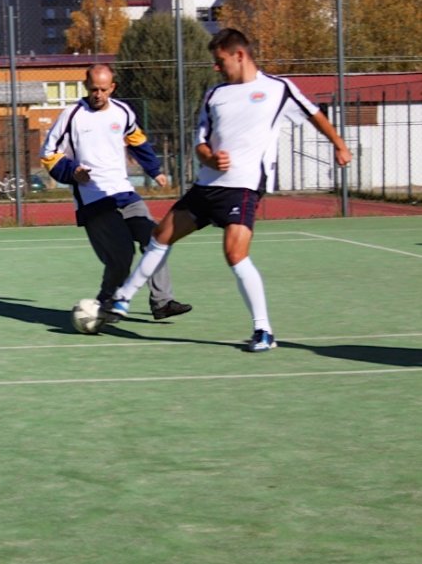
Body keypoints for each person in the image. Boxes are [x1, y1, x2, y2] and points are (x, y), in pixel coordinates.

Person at [106, 28, 352, 351]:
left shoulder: (278, 89)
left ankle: (263, 331)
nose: (216, 67)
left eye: (220, 60)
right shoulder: (214, 95)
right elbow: (200, 143)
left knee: (235, 254)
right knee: (160, 235)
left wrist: (338, 144)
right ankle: (123, 299)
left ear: (239, 55)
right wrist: (209, 157)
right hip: (207, 186)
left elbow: (315, 115)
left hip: (243, 187)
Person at [41, 63, 192, 324]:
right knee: (121, 256)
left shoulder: (122, 112)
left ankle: (162, 302)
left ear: (112, 87)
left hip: (124, 192)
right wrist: (72, 171)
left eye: (103, 89)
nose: (98, 94)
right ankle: (106, 304)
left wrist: (155, 170)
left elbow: (137, 140)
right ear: (86, 86)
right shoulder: (72, 115)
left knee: (156, 240)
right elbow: (48, 154)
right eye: (93, 89)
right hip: (93, 199)